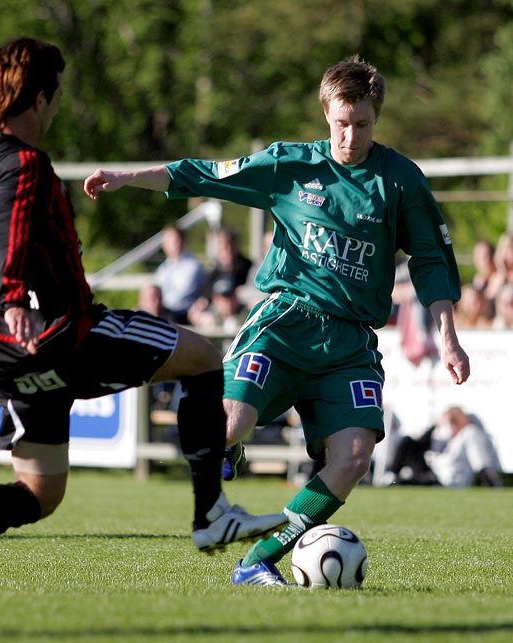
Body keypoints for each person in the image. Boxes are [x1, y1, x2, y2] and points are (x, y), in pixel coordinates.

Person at [0, 37, 285, 592]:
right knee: (205, 359)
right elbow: (9, 232)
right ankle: (212, 515)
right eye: (55, 94)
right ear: (37, 99)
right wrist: (14, 295)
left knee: (39, 494)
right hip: (61, 330)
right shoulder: (25, 163)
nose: (57, 105)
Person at [84, 55, 470, 587]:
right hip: (285, 322)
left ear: (375, 119)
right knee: (228, 426)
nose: (350, 136)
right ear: (325, 115)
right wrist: (129, 178)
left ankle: (258, 559)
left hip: (351, 342)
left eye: (362, 125)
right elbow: (207, 176)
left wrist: (448, 337)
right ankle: (232, 446)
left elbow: (430, 260)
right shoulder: (293, 166)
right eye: (341, 123)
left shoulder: (400, 181)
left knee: (355, 456)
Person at [386, 407, 502, 487]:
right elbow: (421, 442)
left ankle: (394, 477)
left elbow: (480, 462)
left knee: (405, 482)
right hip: (437, 473)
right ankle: (393, 475)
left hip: (446, 480)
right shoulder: (453, 438)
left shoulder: (470, 433)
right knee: (408, 442)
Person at [151, 224, 207, 324]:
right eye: (168, 241)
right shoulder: (163, 269)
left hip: (182, 315)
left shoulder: (193, 266)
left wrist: (156, 304)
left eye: (175, 240)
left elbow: (179, 299)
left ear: (183, 241)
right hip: (166, 312)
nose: (173, 244)